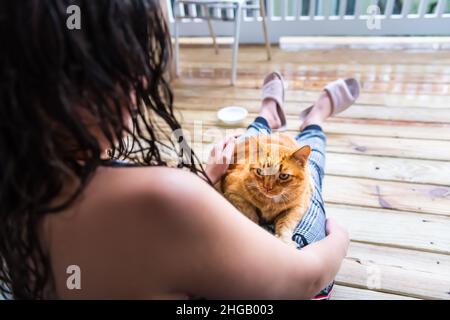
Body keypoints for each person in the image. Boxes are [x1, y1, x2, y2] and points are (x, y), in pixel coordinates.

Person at [0, 0, 349, 300]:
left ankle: (267, 115)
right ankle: (313, 120)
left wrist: (207, 175)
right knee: (307, 178)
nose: (139, 82)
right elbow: (305, 278)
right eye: (128, 59)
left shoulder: (16, 185)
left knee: (252, 155)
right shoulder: (166, 199)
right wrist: (342, 240)